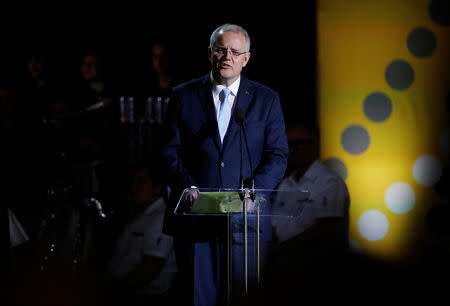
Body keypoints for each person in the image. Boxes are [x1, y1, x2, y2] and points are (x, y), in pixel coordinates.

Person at [159, 23, 288, 306]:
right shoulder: (183, 96)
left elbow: (277, 155)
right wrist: (185, 186)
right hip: (196, 222)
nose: (226, 56)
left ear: (246, 58)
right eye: (220, 49)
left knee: (245, 299)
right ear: (209, 53)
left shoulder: (266, 99)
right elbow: (168, 150)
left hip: (245, 222)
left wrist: (254, 191)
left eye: (234, 51)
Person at [104, 163, 177, 306]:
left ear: (157, 187)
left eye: (141, 181)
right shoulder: (141, 213)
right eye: (133, 181)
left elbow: (150, 267)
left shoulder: (161, 217)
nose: (134, 186)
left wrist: (114, 289)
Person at [271, 120, 350, 244]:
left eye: (299, 143)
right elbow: (275, 226)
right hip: (282, 258)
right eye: (289, 144)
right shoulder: (286, 184)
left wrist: (281, 250)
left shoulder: (329, 182)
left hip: (314, 259)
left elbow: (325, 231)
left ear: (315, 145)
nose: (293, 149)